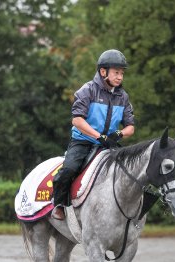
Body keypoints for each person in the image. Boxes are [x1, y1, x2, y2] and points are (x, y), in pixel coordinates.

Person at [52, 49, 135, 220]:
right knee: (69, 169)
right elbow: (77, 121)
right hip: (83, 142)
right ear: (103, 71)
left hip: (108, 144)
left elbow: (130, 127)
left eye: (122, 73)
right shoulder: (87, 90)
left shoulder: (123, 96)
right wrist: (98, 136)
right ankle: (59, 204)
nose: (120, 77)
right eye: (116, 72)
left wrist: (118, 134)